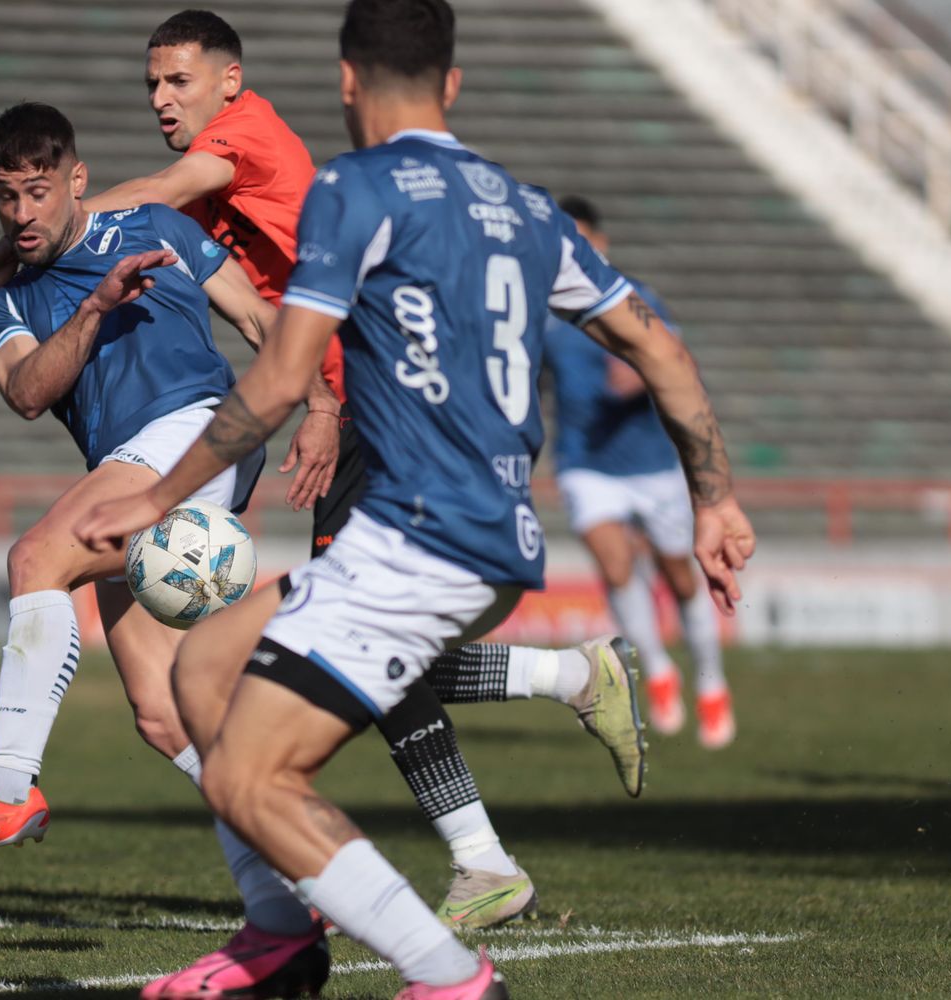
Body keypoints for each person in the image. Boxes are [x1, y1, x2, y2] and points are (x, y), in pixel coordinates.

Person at [75, 0, 755, 995]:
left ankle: (451, 977)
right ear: (454, 83)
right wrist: (716, 501)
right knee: (204, 670)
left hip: (420, 533)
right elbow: (658, 344)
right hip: (493, 537)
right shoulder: (527, 209)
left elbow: (276, 379)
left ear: (348, 83)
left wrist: (159, 497)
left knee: (245, 774)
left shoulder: (355, 191)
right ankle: (284, 934)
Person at [0, 8, 645, 930]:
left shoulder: (241, 138)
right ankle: (546, 716)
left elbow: (149, 192)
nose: (160, 100)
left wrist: (8, 244)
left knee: (334, 638)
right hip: (324, 390)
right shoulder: (181, 201)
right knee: (183, 703)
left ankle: (474, 858)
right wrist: (29, 240)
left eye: (177, 81)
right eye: (150, 84)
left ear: (229, 82)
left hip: (352, 394)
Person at [0, 103, 338, 882]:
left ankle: (5, 787)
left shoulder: (156, 227)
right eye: (7, 196)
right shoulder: (4, 297)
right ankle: (305, 879)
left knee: (36, 558)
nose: (23, 213)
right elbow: (29, 392)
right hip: (133, 464)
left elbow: (263, 323)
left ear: (77, 181)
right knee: (165, 715)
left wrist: (324, 407)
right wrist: (97, 306)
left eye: (39, 191)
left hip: (200, 431)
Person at [543, 196, 734, 748]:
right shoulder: (540, 313)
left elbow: (676, 361)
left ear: (599, 244)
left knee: (679, 575)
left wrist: (639, 377)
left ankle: (710, 679)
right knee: (615, 562)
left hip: (651, 463)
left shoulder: (634, 299)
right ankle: (656, 670)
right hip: (585, 463)